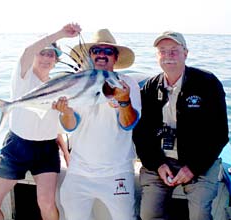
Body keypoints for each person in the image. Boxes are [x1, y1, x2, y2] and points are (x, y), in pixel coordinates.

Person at [0, 23, 81, 220]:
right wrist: (61, 33)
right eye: (42, 53)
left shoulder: (60, 86)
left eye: (51, 54)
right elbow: (28, 50)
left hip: (46, 150)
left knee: (47, 203)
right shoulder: (23, 77)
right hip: (17, 147)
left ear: (56, 60)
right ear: (35, 55)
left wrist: (67, 156)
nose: (46, 57)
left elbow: (57, 129)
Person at [132, 31, 229, 220]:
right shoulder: (150, 87)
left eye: (174, 51)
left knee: (200, 213)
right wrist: (157, 164)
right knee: (148, 214)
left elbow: (220, 134)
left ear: (186, 53)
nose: (168, 56)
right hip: (160, 162)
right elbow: (141, 134)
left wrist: (193, 167)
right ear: (157, 56)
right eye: (162, 51)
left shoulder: (208, 83)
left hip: (199, 162)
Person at [52, 29, 141, 220]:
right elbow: (70, 126)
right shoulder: (74, 83)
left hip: (117, 172)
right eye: (96, 50)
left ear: (116, 58)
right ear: (90, 55)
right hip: (78, 173)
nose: (102, 54)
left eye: (108, 51)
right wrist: (66, 111)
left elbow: (128, 124)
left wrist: (124, 101)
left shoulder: (126, 83)